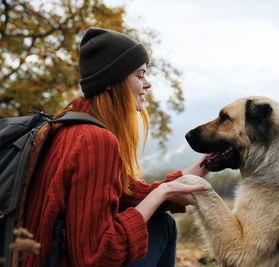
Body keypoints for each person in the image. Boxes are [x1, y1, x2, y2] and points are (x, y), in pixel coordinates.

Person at [23, 27, 209, 267]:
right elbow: (95, 257)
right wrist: (161, 194)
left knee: (162, 223)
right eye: (140, 75)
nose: (148, 84)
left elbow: (125, 192)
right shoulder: (95, 141)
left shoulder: (67, 125)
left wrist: (198, 169)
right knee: (164, 227)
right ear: (114, 82)